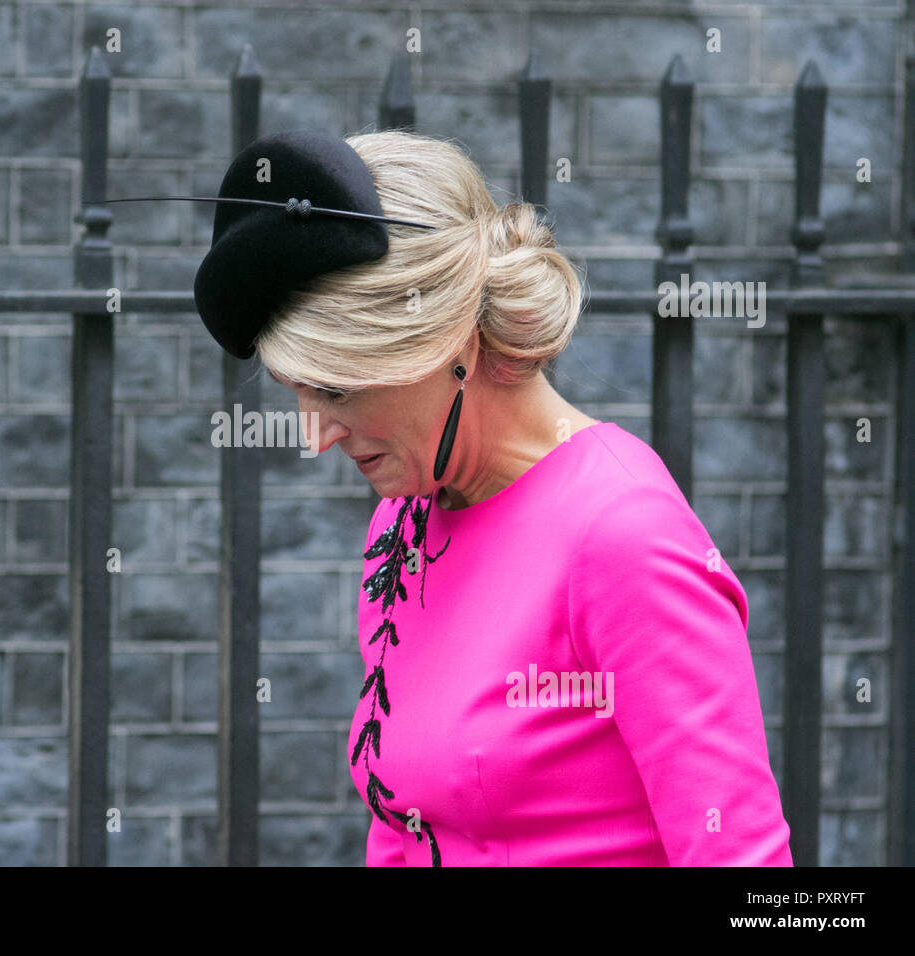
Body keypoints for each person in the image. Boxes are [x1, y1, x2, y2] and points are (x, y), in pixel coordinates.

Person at [121, 125, 793, 866]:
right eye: (298, 393)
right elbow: (403, 828)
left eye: (338, 389)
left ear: (453, 346)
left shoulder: (623, 535)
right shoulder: (402, 524)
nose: (316, 436)